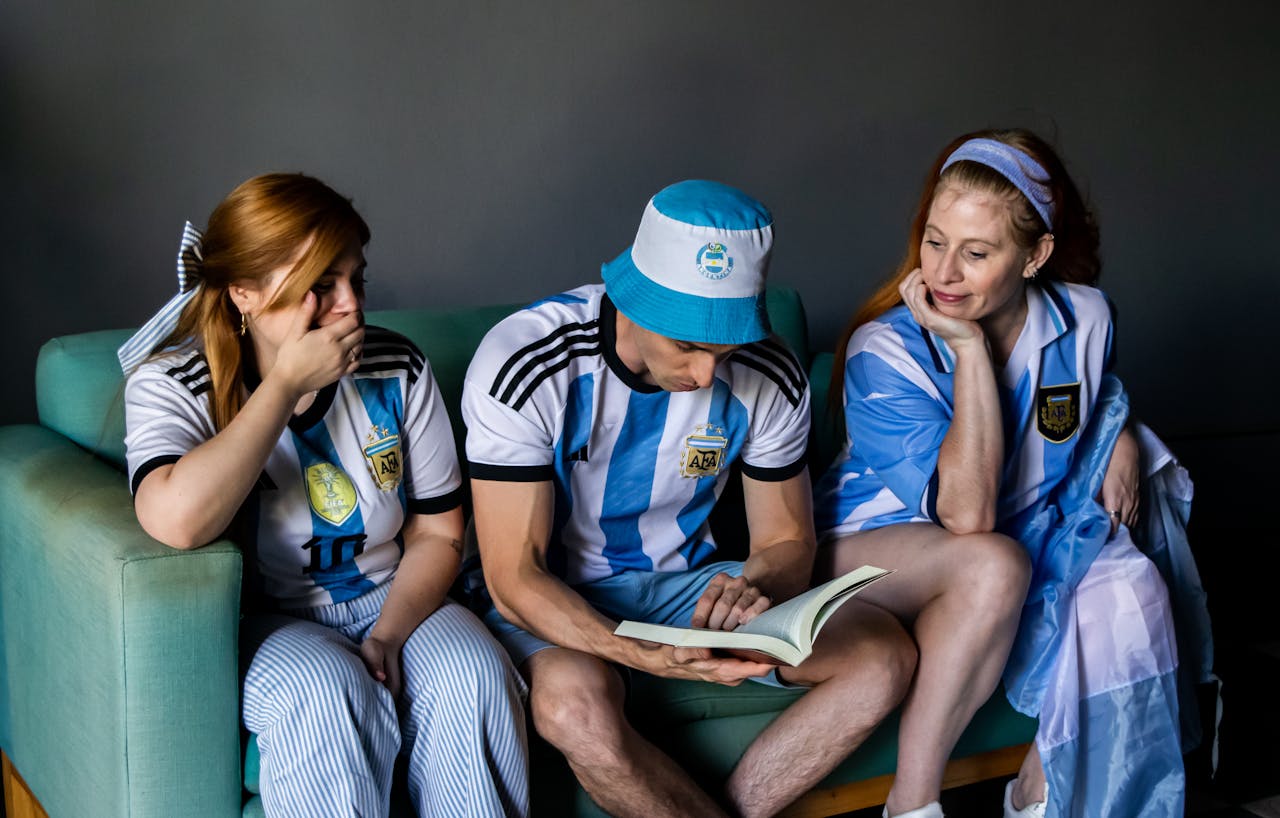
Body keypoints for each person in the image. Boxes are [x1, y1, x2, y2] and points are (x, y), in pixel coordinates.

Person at [461, 179, 918, 818]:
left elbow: (787, 541)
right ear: (633, 301)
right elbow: (514, 577)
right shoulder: (526, 360)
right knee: (572, 705)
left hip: (687, 588)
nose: (707, 374)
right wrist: (638, 652)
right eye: (689, 346)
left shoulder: (772, 372)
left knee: (883, 655)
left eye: (723, 347)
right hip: (554, 599)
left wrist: (754, 586)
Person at [119, 173, 529, 818]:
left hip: (392, 595)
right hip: (262, 621)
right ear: (244, 294)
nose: (351, 307)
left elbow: (439, 532)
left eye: (356, 280)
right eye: (321, 287)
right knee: (324, 686)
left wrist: (390, 634)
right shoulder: (174, 382)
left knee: (473, 671)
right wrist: (281, 387)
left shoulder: (396, 366)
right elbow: (177, 523)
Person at [814, 129, 1191, 818]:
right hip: (878, 544)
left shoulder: (1088, 316)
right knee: (990, 561)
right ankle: (913, 803)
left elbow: (1089, 394)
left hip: (1025, 531)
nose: (943, 274)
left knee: (1128, 583)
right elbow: (966, 516)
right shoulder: (885, 349)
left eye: (976, 252)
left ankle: (1045, 794)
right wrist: (966, 350)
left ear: (1034, 255)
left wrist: (1122, 435)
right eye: (934, 241)